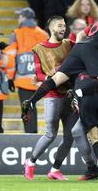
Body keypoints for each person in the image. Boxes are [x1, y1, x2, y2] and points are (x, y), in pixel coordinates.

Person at [21, 0, 98, 124]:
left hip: (80, 47)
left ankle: (31, 101)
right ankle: (77, 93)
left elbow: (81, 34)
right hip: (93, 50)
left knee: (57, 78)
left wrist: (79, 51)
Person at [24, 16, 78, 181]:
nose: (63, 28)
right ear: (51, 27)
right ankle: (30, 161)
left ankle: (55, 169)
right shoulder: (39, 48)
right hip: (52, 95)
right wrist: (53, 74)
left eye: (64, 26)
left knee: (70, 136)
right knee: (50, 134)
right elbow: (38, 74)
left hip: (69, 95)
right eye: (60, 26)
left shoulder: (70, 44)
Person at [3, 7, 48, 133]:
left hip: (22, 80)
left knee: (26, 108)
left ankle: (29, 134)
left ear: (23, 17)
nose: (18, 19)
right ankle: (34, 134)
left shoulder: (16, 33)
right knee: (34, 107)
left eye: (19, 16)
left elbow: (11, 57)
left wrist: (10, 78)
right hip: (39, 80)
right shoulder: (43, 34)